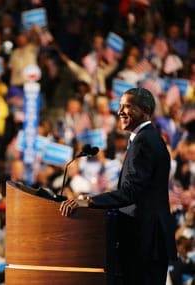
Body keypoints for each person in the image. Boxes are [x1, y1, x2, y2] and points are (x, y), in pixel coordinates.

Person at [60, 87, 177, 285]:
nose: (120, 111)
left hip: (144, 240)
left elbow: (131, 192)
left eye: (127, 106)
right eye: (120, 106)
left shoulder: (145, 141)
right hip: (146, 238)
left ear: (145, 109)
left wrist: (88, 202)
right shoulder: (147, 138)